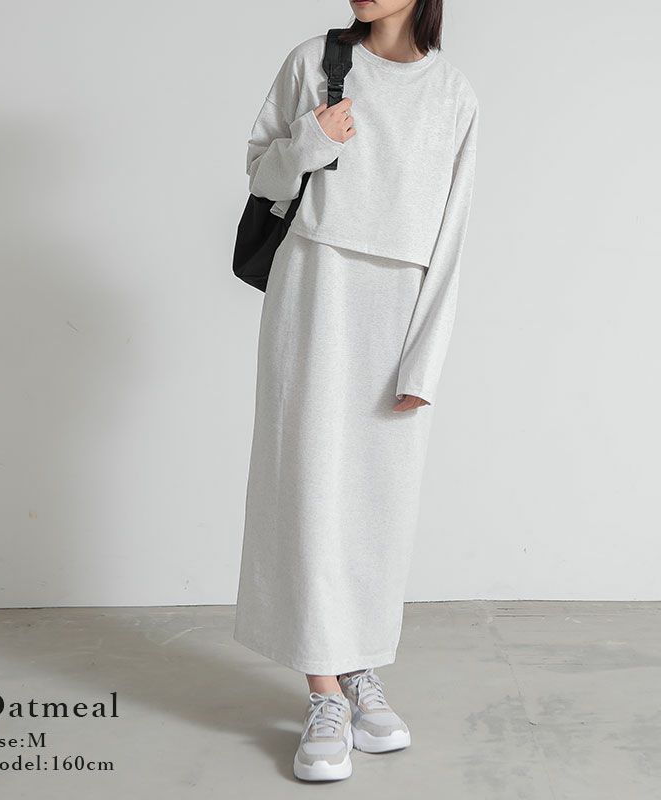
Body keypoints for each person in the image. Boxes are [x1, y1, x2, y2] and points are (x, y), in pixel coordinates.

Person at [233, 0, 478, 782]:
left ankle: (359, 662)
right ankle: (324, 691)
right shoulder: (315, 61)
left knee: (378, 502)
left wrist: (424, 361)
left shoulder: (454, 93)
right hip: (314, 285)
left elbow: (453, 235)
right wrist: (311, 141)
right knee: (308, 485)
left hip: (397, 306)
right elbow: (261, 172)